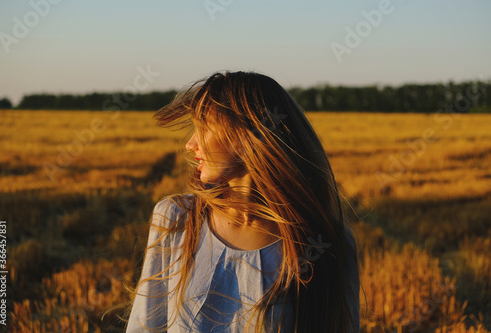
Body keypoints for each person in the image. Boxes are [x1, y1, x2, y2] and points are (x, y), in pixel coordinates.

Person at [125, 71, 359, 332]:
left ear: (249, 135)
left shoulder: (323, 241)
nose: (191, 144)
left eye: (203, 128)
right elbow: (145, 326)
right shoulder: (176, 218)